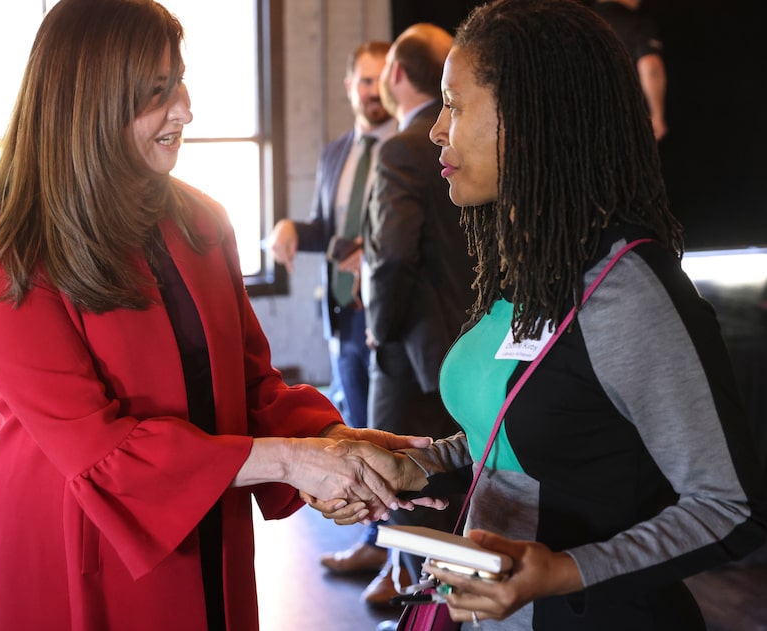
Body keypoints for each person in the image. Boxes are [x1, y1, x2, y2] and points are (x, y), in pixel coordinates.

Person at [0, 2, 433, 630]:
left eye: (180, 81)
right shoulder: (9, 248)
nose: (186, 108)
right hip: (80, 539)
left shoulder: (200, 219)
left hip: (209, 514)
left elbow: (256, 386)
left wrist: (339, 445)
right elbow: (101, 454)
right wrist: (293, 461)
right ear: (89, 104)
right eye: (158, 92)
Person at [309, 0, 767, 628]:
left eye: (455, 104)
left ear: (528, 119)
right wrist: (416, 466)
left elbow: (731, 507)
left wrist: (562, 571)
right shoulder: (532, 267)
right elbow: (524, 446)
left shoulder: (628, 293)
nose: (437, 129)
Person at [266, 40, 399, 582]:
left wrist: (375, 255)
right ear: (349, 86)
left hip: (393, 314)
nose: (372, 92)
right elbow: (328, 229)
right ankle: (374, 543)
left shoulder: (409, 149)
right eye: (363, 81)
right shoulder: (335, 154)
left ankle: (401, 559)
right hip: (344, 314)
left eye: (381, 81)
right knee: (358, 427)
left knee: (395, 431)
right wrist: (293, 228)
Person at [357, 22, 478, 604]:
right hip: (479, 337)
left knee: (408, 484)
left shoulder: (402, 148)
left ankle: (420, 603)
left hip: (411, 350)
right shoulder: (478, 139)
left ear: (397, 74)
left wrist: (379, 331)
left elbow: (391, 255)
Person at [592, 0, 668, 140]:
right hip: (625, 124)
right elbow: (651, 66)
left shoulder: (579, 23)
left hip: (583, 122)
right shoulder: (638, 24)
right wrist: (657, 115)